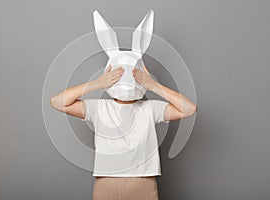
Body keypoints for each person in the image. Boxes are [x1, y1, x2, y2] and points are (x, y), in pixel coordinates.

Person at [50, 64, 197, 200]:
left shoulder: (151, 108)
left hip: (143, 180)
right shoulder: (99, 108)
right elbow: (57, 101)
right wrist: (97, 84)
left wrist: (154, 86)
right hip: (107, 182)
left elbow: (189, 108)